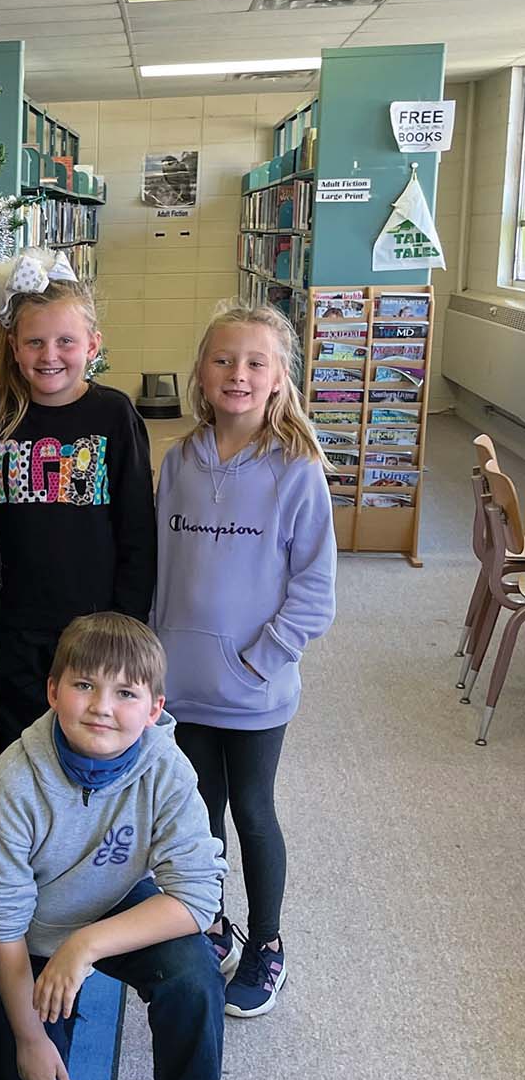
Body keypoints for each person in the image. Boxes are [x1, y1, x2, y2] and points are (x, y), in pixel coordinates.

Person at [0, 613, 264, 1080]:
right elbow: (2, 923)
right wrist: (28, 1037)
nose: (102, 707)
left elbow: (198, 897)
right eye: (84, 687)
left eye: (125, 693)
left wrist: (87, 945)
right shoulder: (9, 784)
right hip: (27, 933)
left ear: (154, 708)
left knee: (192, 971)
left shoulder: (168, 766)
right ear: (52, 692)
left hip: (107, 912)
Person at [152, 302, 336, 1018]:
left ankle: (266, 942)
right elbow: (166, 571)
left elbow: (315, 592)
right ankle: (213, 921)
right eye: (224, 359)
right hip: (183, 685)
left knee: (253, 812)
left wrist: (262, 660)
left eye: (256, 362)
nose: (239, 374)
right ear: (200, 373)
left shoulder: (297, 472)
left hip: (255, 689)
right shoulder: (178, 461)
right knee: (199, 812)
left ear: (279, 378)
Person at [0, 250, 154, 747]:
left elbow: (136, 529)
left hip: (92, 625)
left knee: (91, 745)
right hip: (12, 623)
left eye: (66, 341)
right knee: (25, 749)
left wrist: (126, 624)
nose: (50, 355)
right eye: (35, 342)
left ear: (92, 345)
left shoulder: (114, 414)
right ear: (14, 348)